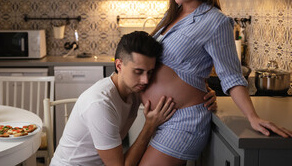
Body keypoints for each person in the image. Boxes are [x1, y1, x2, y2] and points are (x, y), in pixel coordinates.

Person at [138, 0, 292, 166]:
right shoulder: (172, 15)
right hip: (157, 118)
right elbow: (182, 66)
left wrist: (252, 117)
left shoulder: (215, 21)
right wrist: (203, 85)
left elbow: (230, 75)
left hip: (182, 122)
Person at [50, 31, 217, 166]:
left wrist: (204, 93)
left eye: (150, 72)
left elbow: (175, 90)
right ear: (119, 65)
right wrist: (149, 126)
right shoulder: (100, 105)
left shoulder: (134, 89)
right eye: (138, 71)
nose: (145, 80)